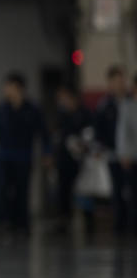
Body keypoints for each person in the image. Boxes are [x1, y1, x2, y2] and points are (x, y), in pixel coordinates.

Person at [0, 73, 48, 236]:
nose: (6, 90)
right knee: (2, 191)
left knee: (22, 191)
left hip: (23, 157)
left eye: (9, 86)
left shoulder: (33, 109)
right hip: (4, 157)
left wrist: (46, 152)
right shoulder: (0, 109)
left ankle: (22, 224)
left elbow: (43, 133)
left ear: (18, 87)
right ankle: (4, 223)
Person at [52, 86, 91, 232]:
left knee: (85, 189)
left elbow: (90, 134)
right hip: (64, 159)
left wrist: (82, 144)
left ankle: (88, 220)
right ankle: (64, 220)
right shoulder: (61, 115)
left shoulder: (84, 114)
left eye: (63, 98)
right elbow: (57, 136)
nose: (61, 102)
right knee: (63, 190)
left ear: (72, 97)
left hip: (81, 160)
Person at [94, 66, 128, 231]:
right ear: (110, 83)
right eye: (115, 81)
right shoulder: (104, 106)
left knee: (131, 189)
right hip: (113, 153)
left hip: (131, 154)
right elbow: (98, 131)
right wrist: (101, 148)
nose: (119, 84)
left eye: (121, 80)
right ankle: (119, 224)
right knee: (117, 189)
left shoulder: (131, 101)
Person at [114, 76, 137, 236]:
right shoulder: (127, 106)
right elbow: (122, 132)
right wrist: (124, 153)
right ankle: (133, 225)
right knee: (133, 193)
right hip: (133, 157)